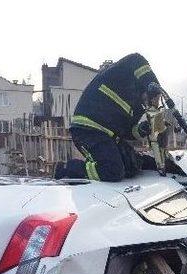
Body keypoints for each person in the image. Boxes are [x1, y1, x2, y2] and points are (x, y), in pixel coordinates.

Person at [66, 53, 162, 181]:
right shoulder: (125, 74)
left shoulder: (139, 107)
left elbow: (127, 132)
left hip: (109, 136)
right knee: (112, 171)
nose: (149, 103)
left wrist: (141, 129)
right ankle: (66, 168)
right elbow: (137, 58)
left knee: (132, 165)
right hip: (87, 130)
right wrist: (151, 82)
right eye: (151, 99)